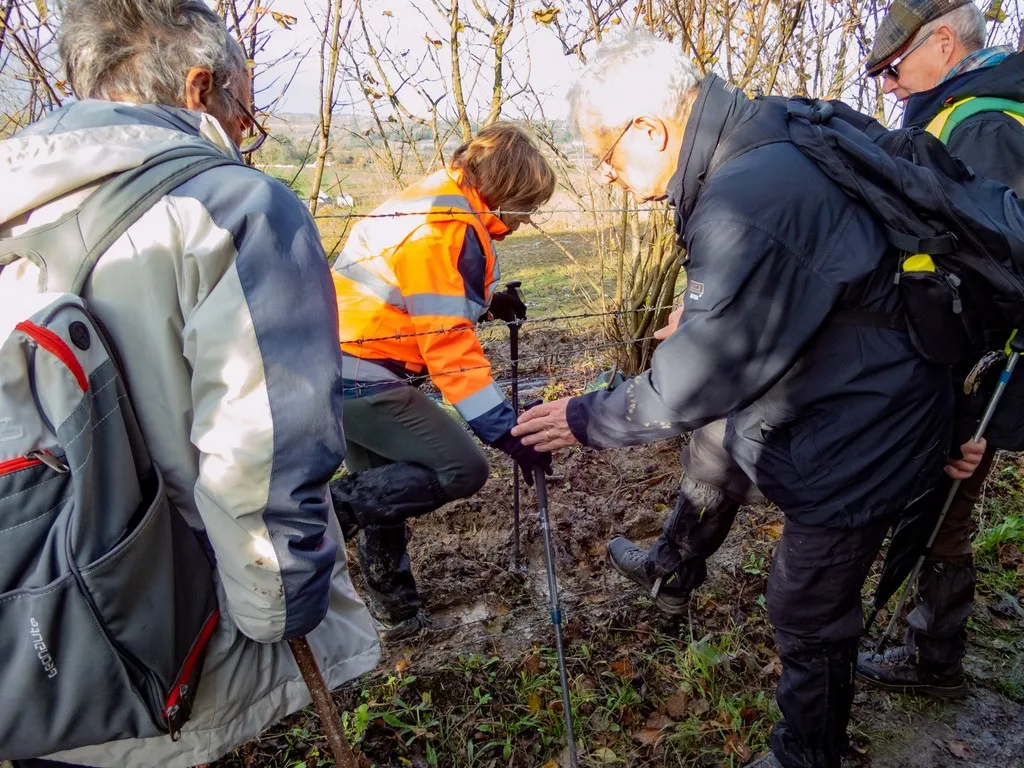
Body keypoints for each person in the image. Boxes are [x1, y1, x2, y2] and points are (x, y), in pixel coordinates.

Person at [511, 30, 964, 768]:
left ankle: (808, 754)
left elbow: (693, 382)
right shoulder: (765, 133)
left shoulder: (745, 195)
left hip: (865, 418)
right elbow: (803, 276)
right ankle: (672, 568)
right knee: (716, 448)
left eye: (607, 157)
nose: (610, 177)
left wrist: (582, 417)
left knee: (807, 601)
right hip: (854, 380)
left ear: (650, 130)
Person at [0, 1, 379, 766]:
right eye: (245, 110)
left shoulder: (18, 204)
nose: (243, 129)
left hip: (29, 623)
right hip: (163, 637)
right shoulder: (230, 209)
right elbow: (262, 453)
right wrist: (282, 607)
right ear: (200, 87)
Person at [328, 123, 555, 641]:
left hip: (340, 361)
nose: (526, 220)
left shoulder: (440, 200)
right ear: (504, 190)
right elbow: (448, 345)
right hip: (364, 371)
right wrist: (505, 431)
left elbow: (421, 296)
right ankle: (318, 515)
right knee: (462, 468)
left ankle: (397, 613)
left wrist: (488, 304)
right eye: (527, 206)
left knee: (383, 490)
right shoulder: (443, 225)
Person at [857, 0, 1024, 698]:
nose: (888, 86)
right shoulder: (966, 113)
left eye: (893, 69)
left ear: (945, 43)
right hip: (962, 363)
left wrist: (966, 413)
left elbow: (994, 279)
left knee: (946, 500)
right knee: (936, 498)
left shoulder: (980, 124)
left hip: (972, 371)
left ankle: (933, 657)